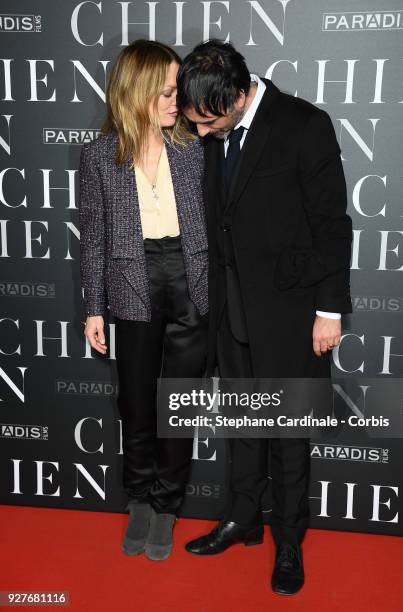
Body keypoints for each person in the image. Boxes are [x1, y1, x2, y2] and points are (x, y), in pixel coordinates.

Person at [177, 40, 352, 594]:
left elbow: (332, 224)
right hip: (233, 312)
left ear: (233, 97)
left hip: (294, 314)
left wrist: (331, 309)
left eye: (207, 121)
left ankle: (291, 542)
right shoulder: (214, 132)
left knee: (289, 433)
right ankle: (243, 518)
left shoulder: (303, 124)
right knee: (245, 425)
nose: (201, 134)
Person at [79, 40, 208, 561]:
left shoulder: (194, 148)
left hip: (189, 284)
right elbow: (93, 237)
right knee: (135, 402)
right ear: (138, 91)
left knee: (178, 407)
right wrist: (93, 306)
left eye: (177, 90)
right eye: (167, 91)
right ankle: (138, 499)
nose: (177, 100)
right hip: (131, 285)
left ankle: (167, 506)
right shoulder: (98, 156)